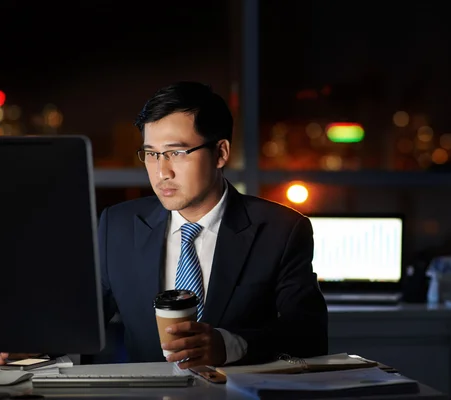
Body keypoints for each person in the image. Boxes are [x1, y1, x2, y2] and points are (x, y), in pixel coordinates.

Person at [0, 81, 328, 369]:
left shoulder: (282, 230)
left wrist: (229, 345)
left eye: (177, 152)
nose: (162, 172)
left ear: (221, 152)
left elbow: (309, 339)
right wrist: (30, 344)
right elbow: (79, 324)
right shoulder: (118, 225)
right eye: (151, 154)